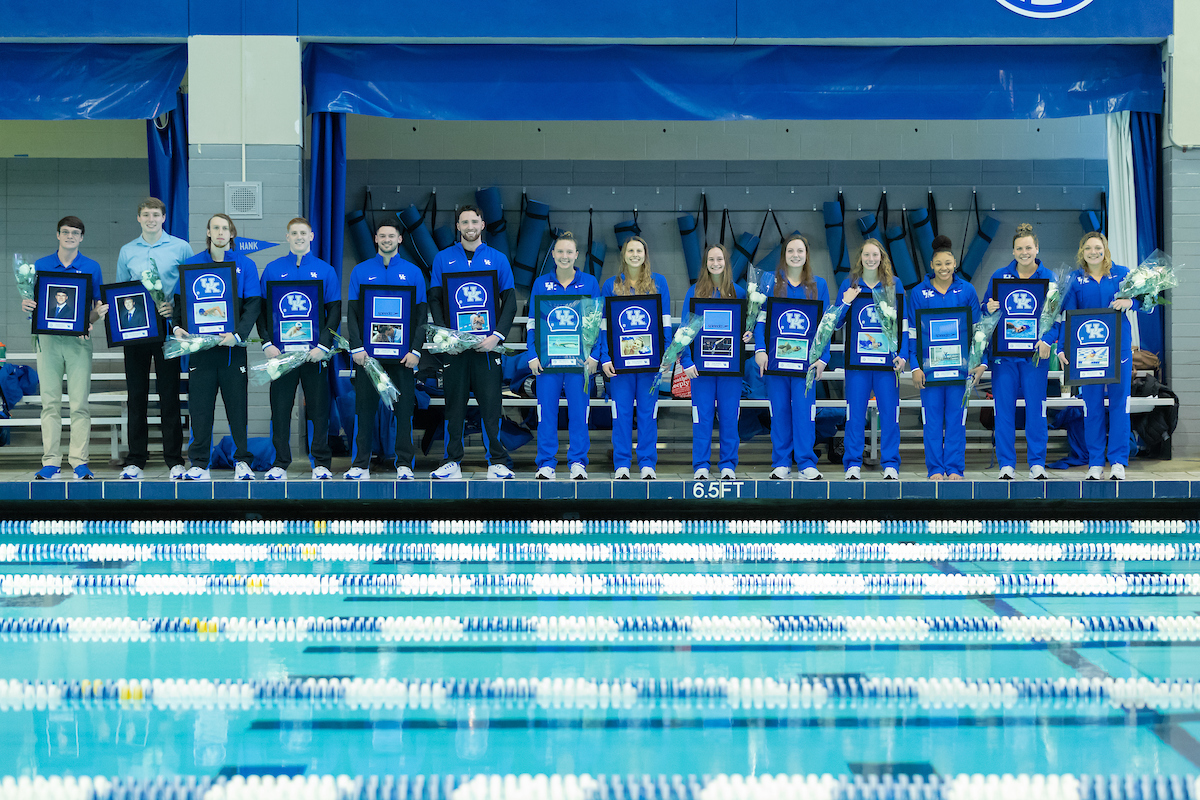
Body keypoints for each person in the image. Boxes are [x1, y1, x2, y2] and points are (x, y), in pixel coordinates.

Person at [427, 205, 517, 480]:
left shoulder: (498, 259)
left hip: (486, 348)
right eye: (464, 221)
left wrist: (496, 337)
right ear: (458, 226)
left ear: (482, 224)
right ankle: (452, 461)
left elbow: (510, 302)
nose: (469, 226)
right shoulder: (443, 259)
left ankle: (497, 461)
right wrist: (446, 337)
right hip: (455, 349)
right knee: (454, 405)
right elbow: (435, 300)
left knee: (491, 404)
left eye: (474, 221)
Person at [172, 214, 262, 481]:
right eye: (216, 228)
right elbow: (180, 303)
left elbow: (253, 304)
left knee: (238, 408)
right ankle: (199, 463)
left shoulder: (245, 264)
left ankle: (242, 461)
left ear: (231, 234)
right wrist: (177, 328)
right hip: (201, 351)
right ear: (209, 233)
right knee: (200, 408)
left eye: (225, 228)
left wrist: (238, 334)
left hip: (233, 350)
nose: (221, 232)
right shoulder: (191, 265)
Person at [113, 197, 193, 480]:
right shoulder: (127, 251)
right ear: (138, 218)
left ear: (164, 217)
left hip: (168, 326)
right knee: (137, 395)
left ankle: (174, 459)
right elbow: (121, 292)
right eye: (145, 214)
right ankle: (136, 459)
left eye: (155, 214)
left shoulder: (180, 247)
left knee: (169, 395)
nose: (150, 219)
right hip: (136, 328)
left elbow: (188, 286)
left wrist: (176, 311)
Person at [24, 216, 107, 480]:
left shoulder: (91, 267)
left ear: (82, 237)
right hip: (47, 341)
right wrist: (27, 306)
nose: (70, 236)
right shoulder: (42, 265)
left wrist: (92, 319)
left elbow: (97, 308)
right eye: (65, 232)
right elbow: (36, 305)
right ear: (57, 235)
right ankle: (50, 461)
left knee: (79, 404)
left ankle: (79, 461)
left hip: (78, 342)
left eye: (75, 232)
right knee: (50, 403)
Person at [344, 220, 428, 481]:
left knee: (404, 413)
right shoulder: (360, 271)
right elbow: (354, 313)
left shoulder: (413, 273)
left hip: (403, 358)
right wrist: (357, 347)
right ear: (376, 239)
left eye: (391, 236)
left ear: (400, 239)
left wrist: (416, 350)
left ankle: (404, 464)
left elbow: (420, 316)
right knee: (365, 411)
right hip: (368, 357)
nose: (387, 240)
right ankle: (360, 464)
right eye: (382, 236)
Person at [259, 217, 342, 480]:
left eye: (303, 233)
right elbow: (261, 310)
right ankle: (280, 462)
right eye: (294, 233)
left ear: (312, 236)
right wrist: (267, 344)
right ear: (287, 237)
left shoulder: (325, 270)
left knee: (319, 409)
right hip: (281, 355)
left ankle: (320, 463)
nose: (298, 237)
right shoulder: (272, 269)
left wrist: (323, 346)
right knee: (280, 407)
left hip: (314, 355)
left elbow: (335, 312)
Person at [1057, 231, 1138, 481]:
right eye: (1089, 248)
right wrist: (1062, 347)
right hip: (1088, 352)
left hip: (1119, 349)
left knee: (1119, 405)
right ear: (1082, 252)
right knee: (1091, 407)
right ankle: (1094, 462)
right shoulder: (1074, 279)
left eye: (1098, 247)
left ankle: (1117, 462)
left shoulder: (1123, 274)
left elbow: (1149, 302)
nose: (1094, 252)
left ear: (1105, 250)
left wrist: (1130, 303)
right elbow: (1065, 316)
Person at [753, 234, 831, 480]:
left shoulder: (819, 285)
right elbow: (759, 319)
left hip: (805, 364)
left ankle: (807, 462)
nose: (795, 255)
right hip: (776, 362)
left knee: (804, 412)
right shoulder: (770, 283)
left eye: (800, 251)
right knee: (780, 413)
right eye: (790, 251)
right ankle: (782, 462)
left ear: (807, 255)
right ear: (784, 255)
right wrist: (760, 349)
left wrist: (823, 358)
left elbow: (825, 326)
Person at [982, 223, 1057, 480]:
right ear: (1013, 252)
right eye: (1019, 248)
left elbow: (1056, 317)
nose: (1024, 252)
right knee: (1004, 411)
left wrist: (1047, 339)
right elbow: (984, 310)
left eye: (1028, 247)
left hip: (1035, 355)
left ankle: (1037, 463)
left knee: (1036, 410)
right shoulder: (999, 276)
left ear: (1037, 249)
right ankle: (1007, 464)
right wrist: (989, 307)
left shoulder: (1049, 279)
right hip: (1004, 356)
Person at [527, 232, 601, 480]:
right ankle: (546, 463)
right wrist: (532, 354)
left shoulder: (590, 282)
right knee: (546, 413)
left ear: (576, 255)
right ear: (554, 255)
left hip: (579, 363)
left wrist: (595, 357)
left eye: (569, 252)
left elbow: (596, 323)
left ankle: (578, 462)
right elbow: (532, 324)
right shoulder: (540, 283)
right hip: (548, 362)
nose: (564, 256)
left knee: (579, 413)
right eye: (560, 252)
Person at [908, 235, 982, 481]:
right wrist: (916, 367)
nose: (944, 268)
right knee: (932, 422)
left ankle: (954, 468)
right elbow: (912, 334)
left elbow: (978, 331)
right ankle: (935, 469)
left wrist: (977, 363)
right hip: (930, 371)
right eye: (939, 264)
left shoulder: (967, 290)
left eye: (948, 263)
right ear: (931, 265)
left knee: (956, 421)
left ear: (955, 264)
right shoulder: (919, 293)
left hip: (959, 370)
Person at [600, 236, 671, 480]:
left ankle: (647, 463)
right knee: (620, 414)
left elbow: (664, 323)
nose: (634, 255)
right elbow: (604, 327)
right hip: (620, 365)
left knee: (648, 413)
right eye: (630, 250)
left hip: (650, 363)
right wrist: (605, 357)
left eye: (639, 250)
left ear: (645, 254)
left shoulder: (658, 282)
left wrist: (667, 353)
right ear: (624, 254)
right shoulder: (611, 284)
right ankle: (621, 463)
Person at [837, 239, 907, 480]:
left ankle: (890, 464)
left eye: (875, 255)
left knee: (890, 413)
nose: (870, 259)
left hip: (887, 364)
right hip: (857, 364)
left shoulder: (894, 285)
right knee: (855, 414)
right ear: (860, 258)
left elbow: (904, 325)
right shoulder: (850, 284)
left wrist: (904, 354)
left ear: (882, 257)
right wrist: (846, 301)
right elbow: (835, 323)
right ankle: (853, 464)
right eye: (866, 255)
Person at [682, 243, 748, 480]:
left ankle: (728, 465)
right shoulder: (694, 292)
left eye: (719, 259)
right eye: (711, 259)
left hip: (730, 369)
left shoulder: (739, 293)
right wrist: (687, 360)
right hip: (701, 370)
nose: (715, 263)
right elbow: (684, 331)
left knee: (730, 416)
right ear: (705, 263)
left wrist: (747, 334)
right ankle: (701, 465)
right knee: (702, 417)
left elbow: (746, 328)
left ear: (726, 262)